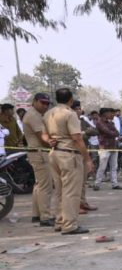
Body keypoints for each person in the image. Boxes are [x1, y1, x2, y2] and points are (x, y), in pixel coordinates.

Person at [42, 87, 94, 235]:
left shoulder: (48, 113)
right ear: (71, 99)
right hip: (69, 154)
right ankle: (70, 225)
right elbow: (77, 138)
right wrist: (87, 159)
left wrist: (50, 140)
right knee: (71, 192)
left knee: (60, 190)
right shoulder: (70, 114)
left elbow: (44, 135)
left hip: (54, 154)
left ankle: (60, 221)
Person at [22, 92, 54, 225]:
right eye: (42, 103)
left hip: (37, 152)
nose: (45, 106)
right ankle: (45, 217)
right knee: (46, 186)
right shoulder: (33, 115)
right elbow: (42, 138)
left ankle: (37, 214)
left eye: (47, 103)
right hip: (39, 152)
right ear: (34, 101)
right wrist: (54, 143)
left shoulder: (35, 114)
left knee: (39, 185)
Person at [72, 100, 98, 213]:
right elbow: (75, 137)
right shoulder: (70, 120)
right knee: (75, 181)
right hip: (73, 153)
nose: (78, 111)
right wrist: (84, 133)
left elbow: (95, 130)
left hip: (83, 151)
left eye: (79, 108)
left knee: (83, 180)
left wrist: (84, 133)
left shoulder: (83, 120)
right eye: (76, 109)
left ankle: (82, 202)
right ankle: (75, 205)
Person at [94, 107, 122, 191]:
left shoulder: (110, 122)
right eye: (109, 113)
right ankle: (97, 184)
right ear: (104, 113)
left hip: (113, 145)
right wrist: (113, 133)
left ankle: (115, 184)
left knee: (114, 166)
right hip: (104, 146)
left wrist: (113, 133)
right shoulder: (99, 122)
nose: (111, 114)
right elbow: (108, 132)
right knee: (102, 166)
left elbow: (116, 133)